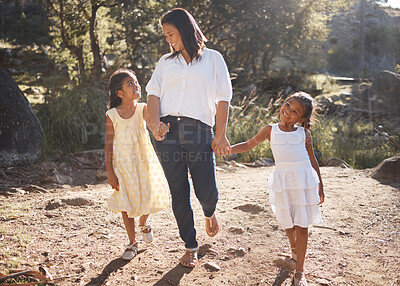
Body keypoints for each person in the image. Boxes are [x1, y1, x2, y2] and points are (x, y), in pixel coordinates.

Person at [146, 8, 232, 267]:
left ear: (185, 29)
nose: (168, 39)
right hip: (168, 133)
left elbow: (223, 99)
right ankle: (190, 245)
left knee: (206, 191)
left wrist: (220, 135)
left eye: (171, 33)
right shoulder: (165, 63)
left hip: (199, 131)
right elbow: (153, 95)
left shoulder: (214, 59)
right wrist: (154, 124)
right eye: (165, 35)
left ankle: (209, 211)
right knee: (178, 191)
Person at [230, 92, 324, 286]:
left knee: (302, 224)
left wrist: (320, 185)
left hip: (303, 180)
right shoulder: (270, 130)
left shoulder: (304, 134)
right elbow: (248, 145)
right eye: (287, 105)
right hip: (283, 180)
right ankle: (293, 249)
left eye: (295, 111)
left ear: (302, 118)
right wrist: (227, 148)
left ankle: (300, 271)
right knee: (286, 221)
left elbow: (312, 159)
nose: (288, 111)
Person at [104, 69, 169, 260]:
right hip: (122, 166)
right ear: (119, 93)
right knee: (126, 201)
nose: (136, 85)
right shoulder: (112, 115)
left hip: (143, 161)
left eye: (136, 82)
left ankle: (144, 222)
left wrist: (160, 129)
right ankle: (132, 242)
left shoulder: (142, 108)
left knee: (147, 193)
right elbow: (108, 146)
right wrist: (110, 172)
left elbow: (152, 125)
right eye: (130, 84)